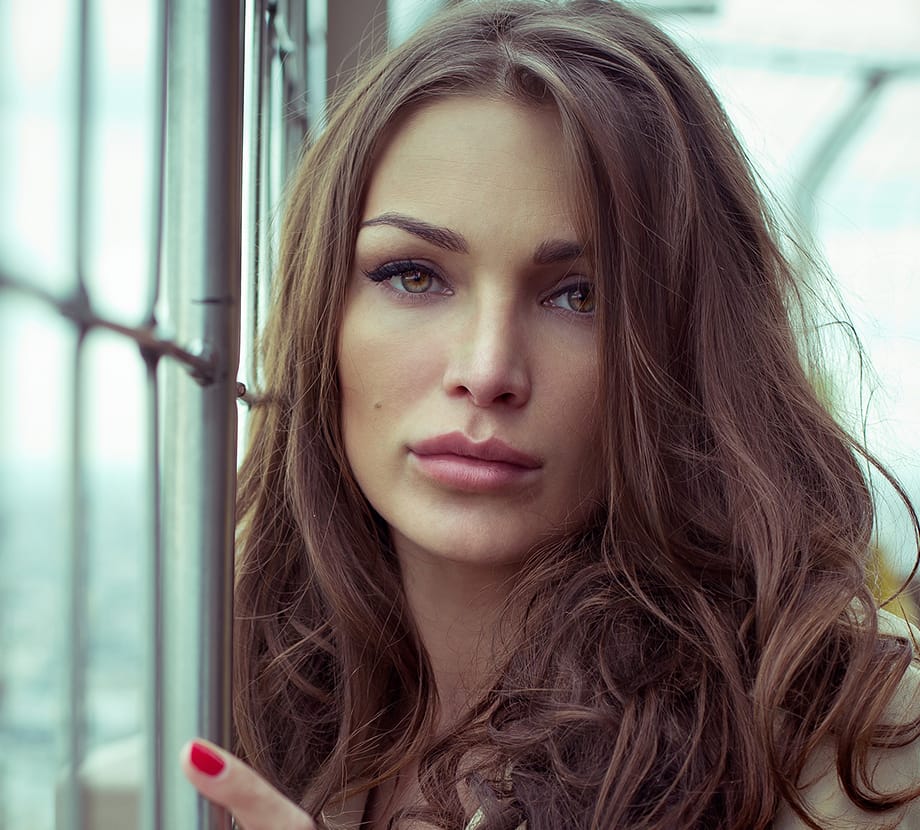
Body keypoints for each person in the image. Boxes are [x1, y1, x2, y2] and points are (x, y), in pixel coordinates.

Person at [180, 1, 920, 827]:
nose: (488, 370)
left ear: (688, 346)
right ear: (322, 315)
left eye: (582, 296)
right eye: (414, 276)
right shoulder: (221, 695)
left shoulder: (858, 748)